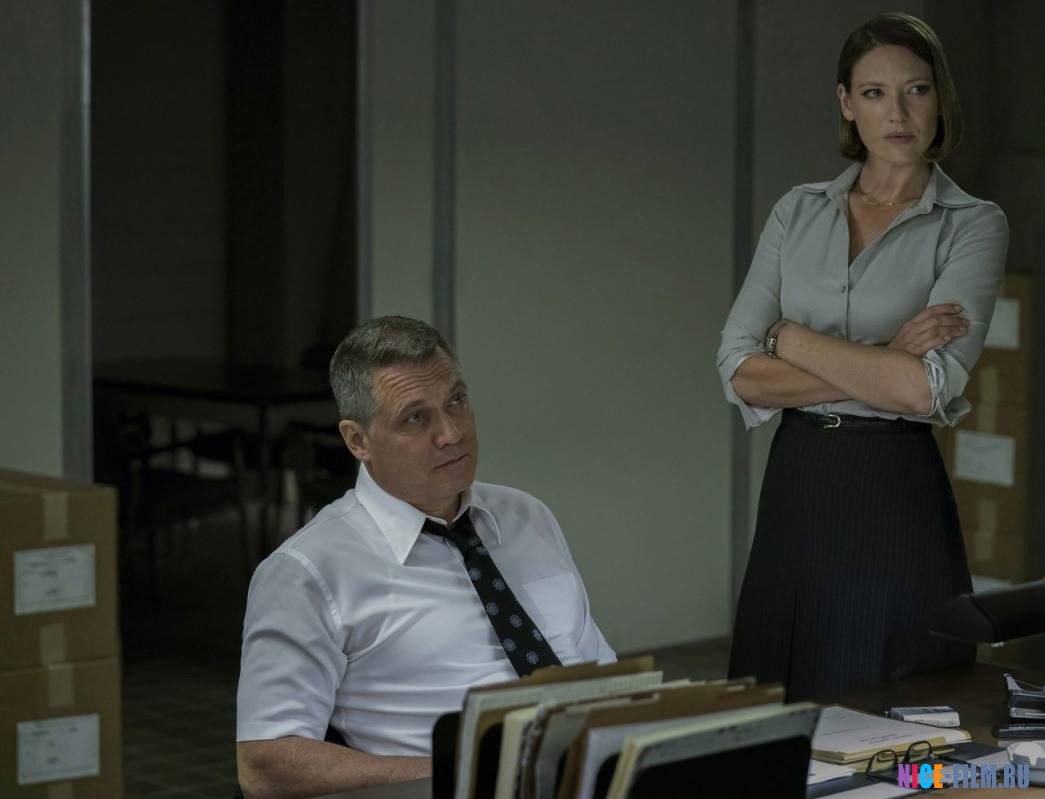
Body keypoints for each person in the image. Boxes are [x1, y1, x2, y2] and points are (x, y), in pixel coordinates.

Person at [717, 12, 1008, 701]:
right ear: (847, 103)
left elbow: (922, 390)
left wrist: (787, 337)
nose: (897, 112)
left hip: (893, 488)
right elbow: (738, 370)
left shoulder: (973, 224)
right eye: (875, 93)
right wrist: (881, 355)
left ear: (939, 98)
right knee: (774, 702)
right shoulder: (797, 211)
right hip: (798, 480)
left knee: (889, 714)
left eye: (915, 90)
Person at [236, 315, 614, 798]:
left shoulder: (526, 516)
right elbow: (265, 765)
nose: (451, 433)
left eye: (456, 401)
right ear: (358, 441)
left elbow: (599, 670)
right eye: (416, 418)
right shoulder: (307, 571)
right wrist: (464, 774)